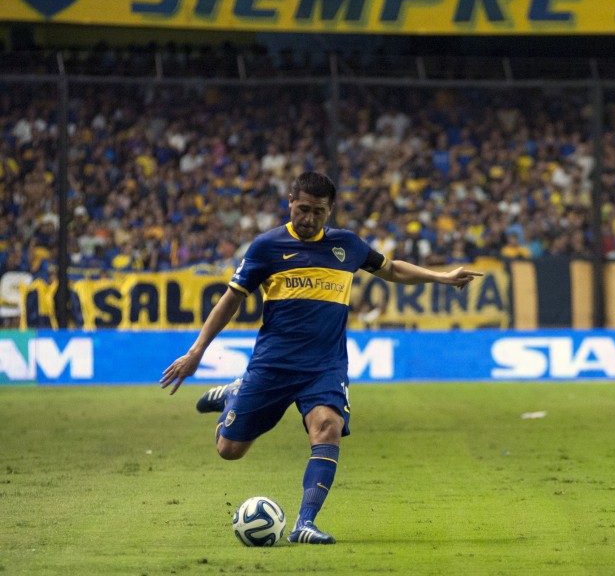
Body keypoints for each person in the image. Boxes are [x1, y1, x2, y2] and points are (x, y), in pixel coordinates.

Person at [160, 171, 481, 544]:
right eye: (303, 210)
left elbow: (390, 268)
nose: (309, 219)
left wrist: (441, 277)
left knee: (327, 427)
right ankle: (235, 393)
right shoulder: (267, 247)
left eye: (319, 212)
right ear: (290, 203)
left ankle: (304, 524)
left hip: (325, 366)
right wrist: (196, 351)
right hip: (273, 365)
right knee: (229, 450)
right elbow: (231, 299)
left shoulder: (347, 245)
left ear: (330, 211)